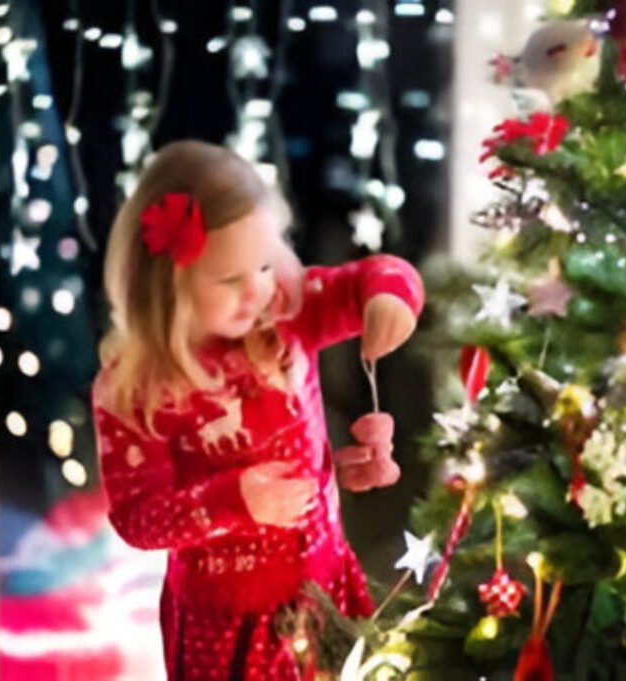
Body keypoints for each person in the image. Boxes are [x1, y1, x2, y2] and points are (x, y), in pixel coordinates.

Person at [91, 140, 425, 680]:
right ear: (165, 285)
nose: (258, 292)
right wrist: (236, 501)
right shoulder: (135, 389)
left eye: (266, 264)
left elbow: (375, 276)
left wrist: (389, 298)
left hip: (326, 590)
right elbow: (137, 518)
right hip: (226, 627)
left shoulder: (286, 315)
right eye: (229, 279)